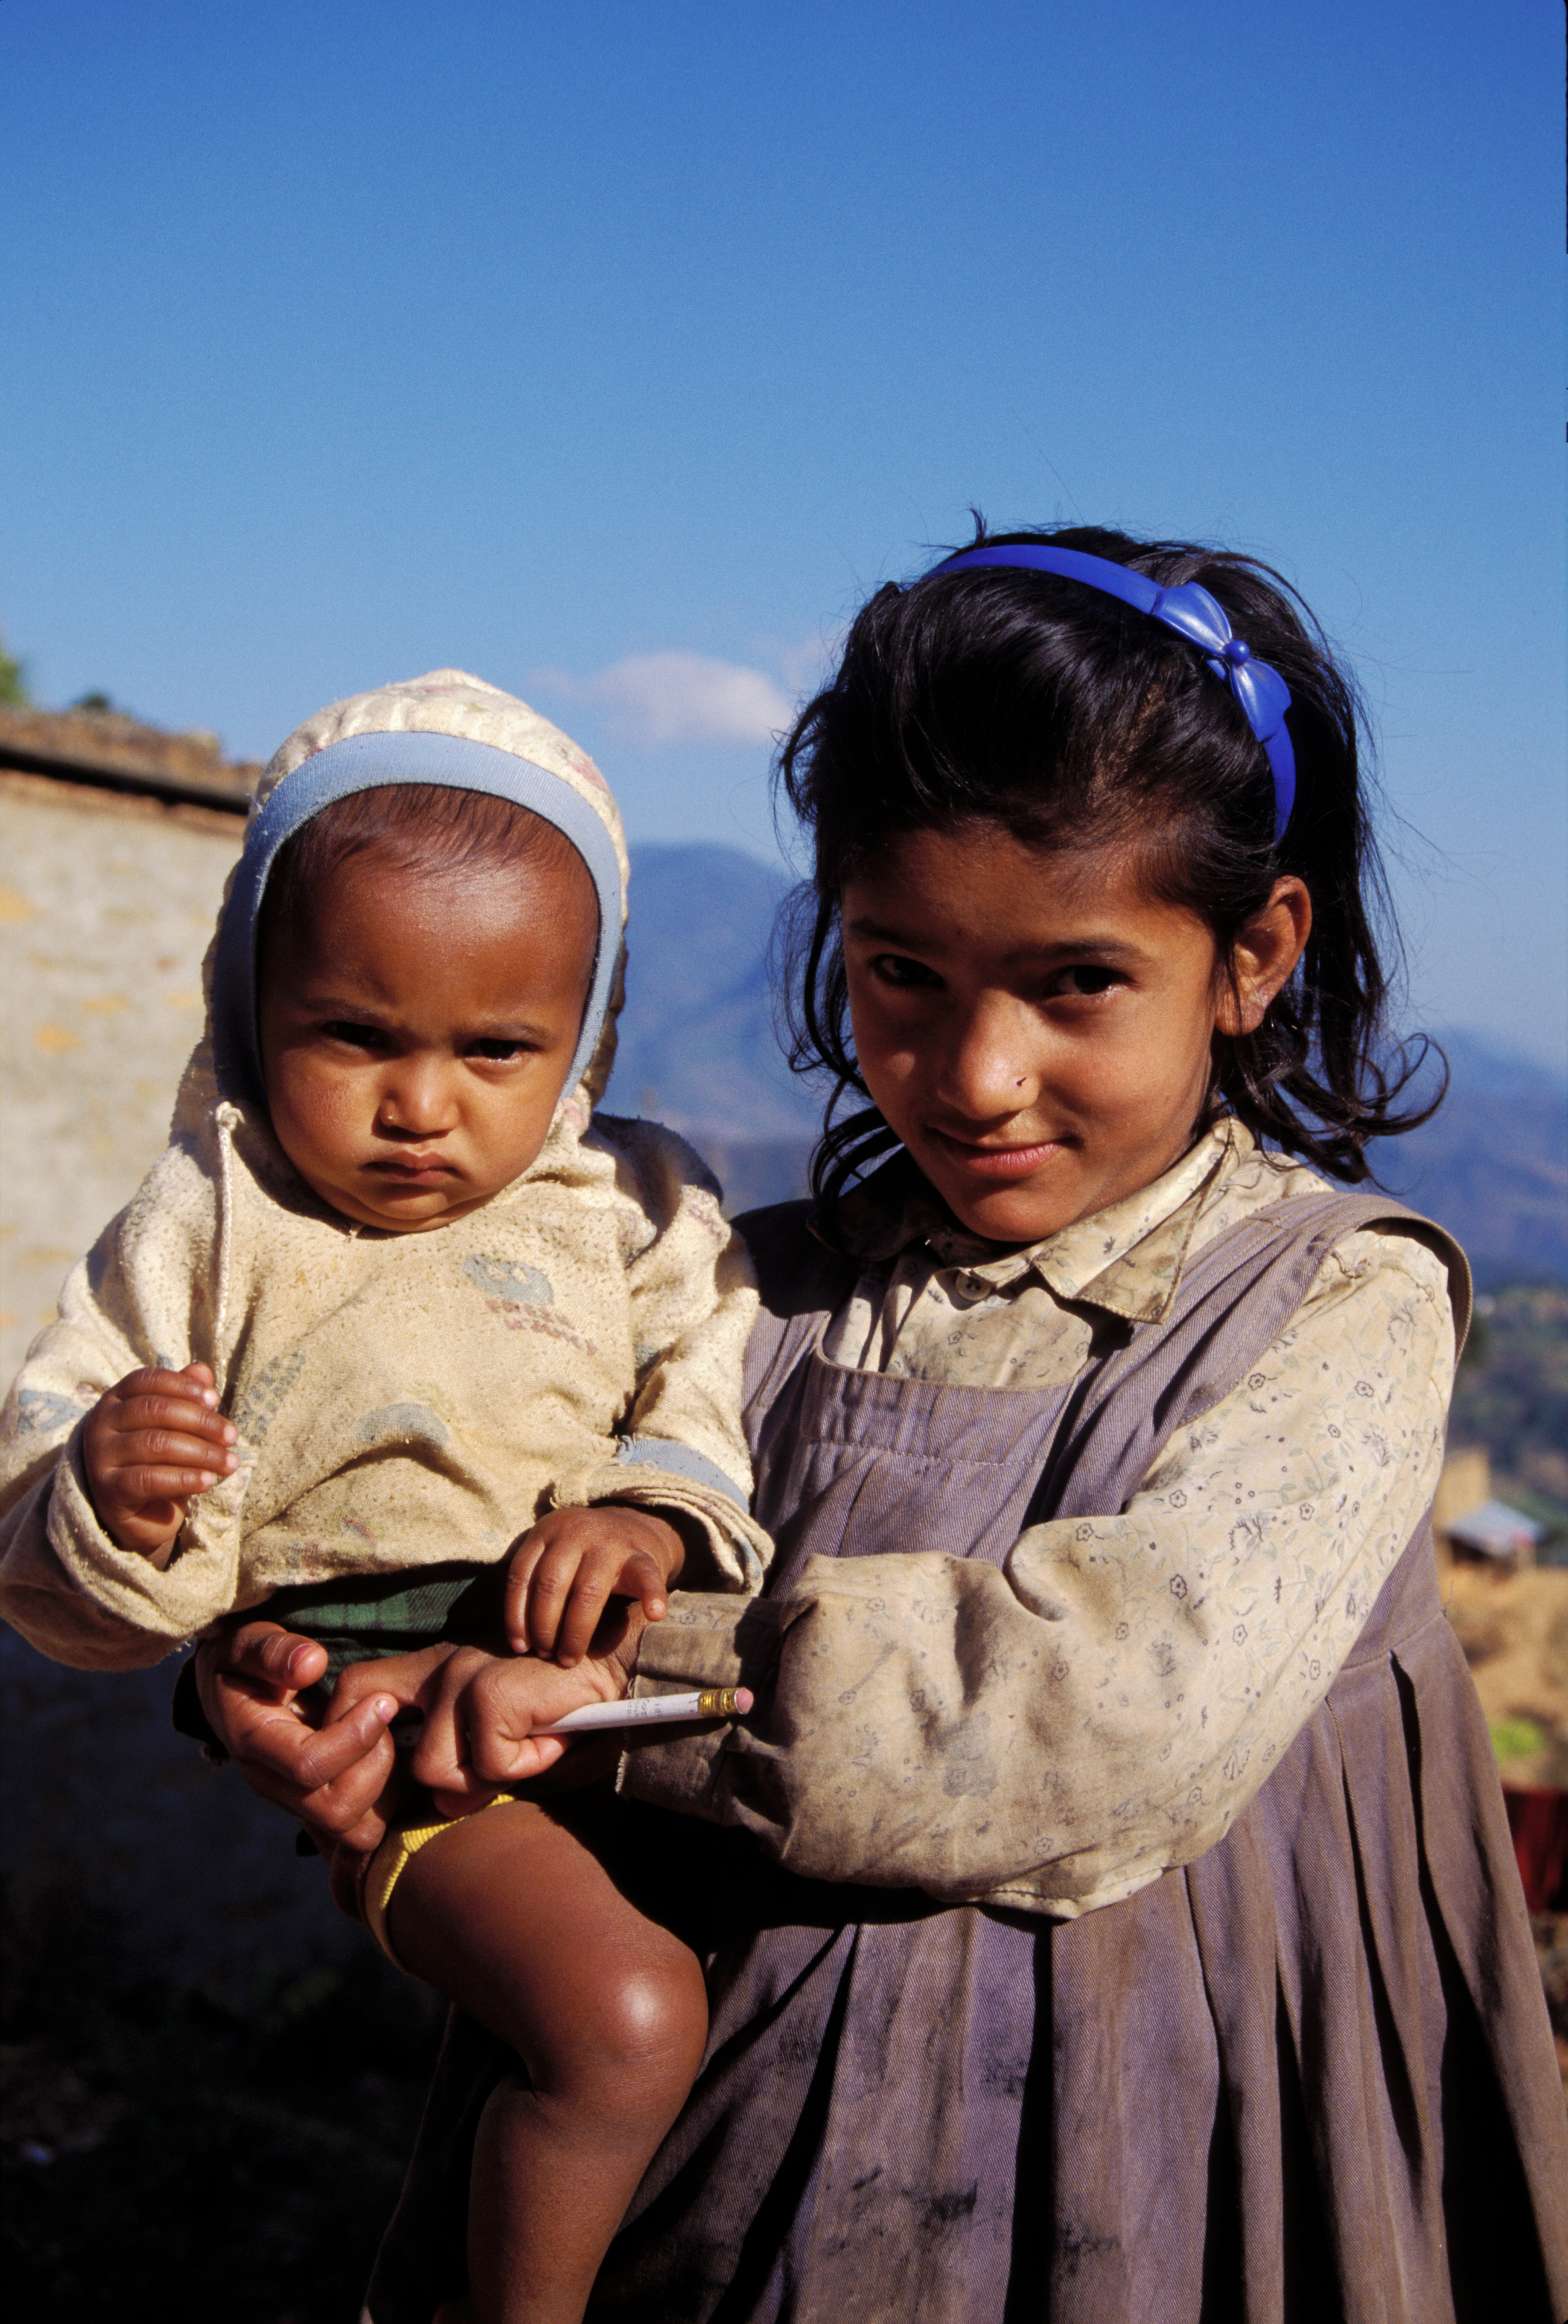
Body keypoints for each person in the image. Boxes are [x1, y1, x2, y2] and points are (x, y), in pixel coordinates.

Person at [194, 532, 1568, 2323]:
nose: (975, 1074)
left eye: (1076, 985)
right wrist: (287, 1667)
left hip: (1161, 2152)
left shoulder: (1336, 1304)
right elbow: (414, 1526)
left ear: (1253, 954)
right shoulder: (727, 1285)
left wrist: (580, 1682)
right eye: (901, 972)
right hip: (721, 2173)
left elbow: (1098, 1717)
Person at [0, 670, 776, 2324]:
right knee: (625, 2016)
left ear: (589, 1038)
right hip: (388, 1740)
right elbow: (45, 1496)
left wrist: (646, 1513)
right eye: (356, 1033)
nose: (422, 1103)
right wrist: (109, 1487)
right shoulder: (207, 1221)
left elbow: (707, 1374)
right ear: (248, 999)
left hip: (596, 1706)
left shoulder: (631, 1204)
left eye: (498, 1047)